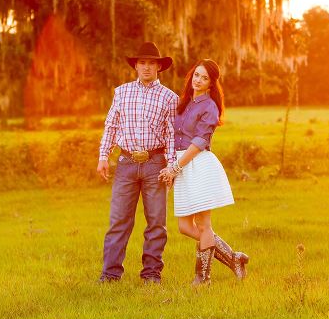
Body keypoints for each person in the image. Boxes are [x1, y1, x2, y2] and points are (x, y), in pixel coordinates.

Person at [158, 59, 249, 285]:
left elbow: (200, 142)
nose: (198, 80)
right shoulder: (183, 102)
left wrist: (175, 167)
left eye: (204, 78)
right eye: (196, 75)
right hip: (181, 166)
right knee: (184, 226)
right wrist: (172, 165)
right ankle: (234, 258)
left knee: (203, 225)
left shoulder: (209, 106)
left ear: (211, 83)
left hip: (198, 164)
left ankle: (203, 278)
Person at [96, 42, 178, 284]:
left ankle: (151, 274)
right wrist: (103, 156)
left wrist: (171, 166)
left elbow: (172, 134)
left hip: (156, 163)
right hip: (126, 162)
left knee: (156, 223)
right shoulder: (122, 92)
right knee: (119, 221)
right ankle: (110, 274)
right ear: (136, 66)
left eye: (151, 63)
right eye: (142, 63)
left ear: (159, 67)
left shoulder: (169, 98)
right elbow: (111, 126)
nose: (146, 67)